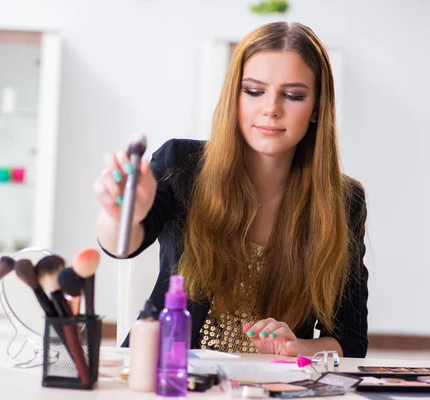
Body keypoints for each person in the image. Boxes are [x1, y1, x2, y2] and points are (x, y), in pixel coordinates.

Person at [93, 21, 368, 358]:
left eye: (294, 95)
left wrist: (299, 348)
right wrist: (120, 215)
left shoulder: (344, 201)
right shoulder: (182, 163)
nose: (271, 108)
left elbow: (350, 341)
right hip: (168, 375)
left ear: (316, 108)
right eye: (254, 91)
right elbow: (122, 246)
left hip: (271, 385)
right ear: (234, 96)